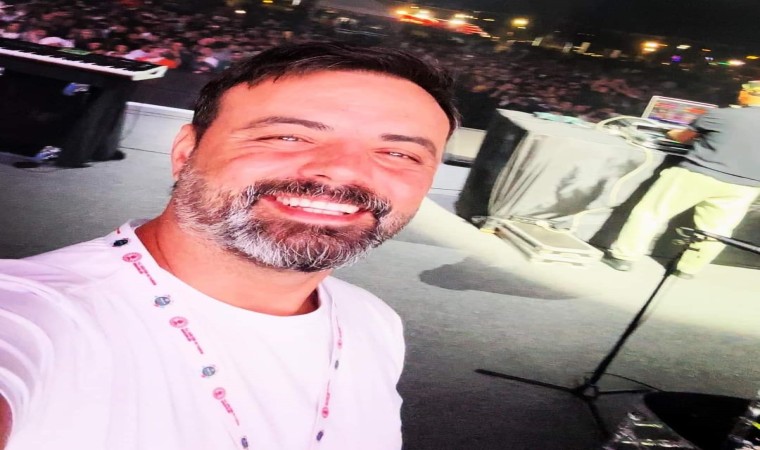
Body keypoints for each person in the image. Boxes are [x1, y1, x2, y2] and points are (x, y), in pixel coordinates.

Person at [0, 41, 459, 450]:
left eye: (398, 153)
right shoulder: (34, 311)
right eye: (288, 136)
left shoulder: (373, 321)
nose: (342, 170)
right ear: (185, 153)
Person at [603, 80, 760, 278]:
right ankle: (687, 270)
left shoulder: (722, 115)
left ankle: (623, 258)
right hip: (746, 186)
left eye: (742, 91)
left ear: (749, 94)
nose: (739, 94)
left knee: (651, 213)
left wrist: (669, 132)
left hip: (699, 173)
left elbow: (682, 137)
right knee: (716, 230)